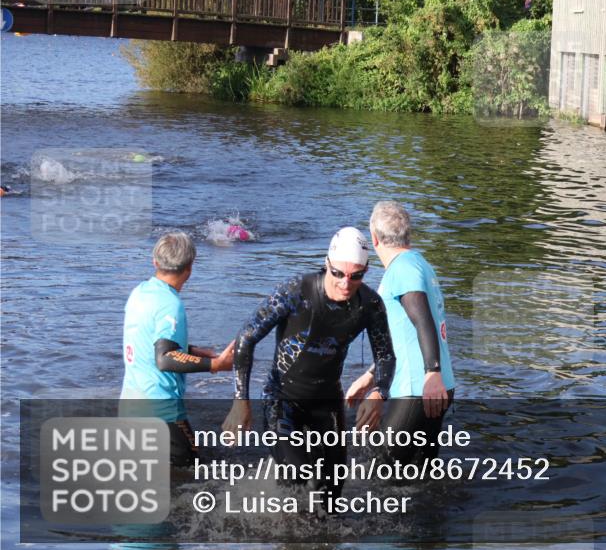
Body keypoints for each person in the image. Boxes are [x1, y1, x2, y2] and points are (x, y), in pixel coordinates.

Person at [222, 227, 395, 499]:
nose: (345, 284)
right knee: (297, 476)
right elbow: (246, 337)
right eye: (338, 273)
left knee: (332, 492)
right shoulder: (296, 292)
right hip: (281, 399)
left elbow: (385, 355)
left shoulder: (370, 304)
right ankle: (279, 532)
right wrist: (239, 400)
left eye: (356, 276)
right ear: (327, 264)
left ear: (365, 271)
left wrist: (379, 392)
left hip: (327, 401)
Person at [346, 202, 456, 465]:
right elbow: (402, 333)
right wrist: (371, 376)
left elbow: (422, 320)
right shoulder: (417, 263)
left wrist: (432, 371)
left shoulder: (402, 269)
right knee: (420, 474)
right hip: (435, 386)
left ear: (374, 238)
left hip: (419, 388)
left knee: (383, 474)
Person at [120, 232, 235, 467]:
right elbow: (164, 358)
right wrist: (215, 365)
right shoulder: (170, 305)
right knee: (196, 472)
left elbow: (148, 341)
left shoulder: (139, 292)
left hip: (130, 405)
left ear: (155, 262)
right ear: (190, 267)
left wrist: (192, 350)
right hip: (160, 410)